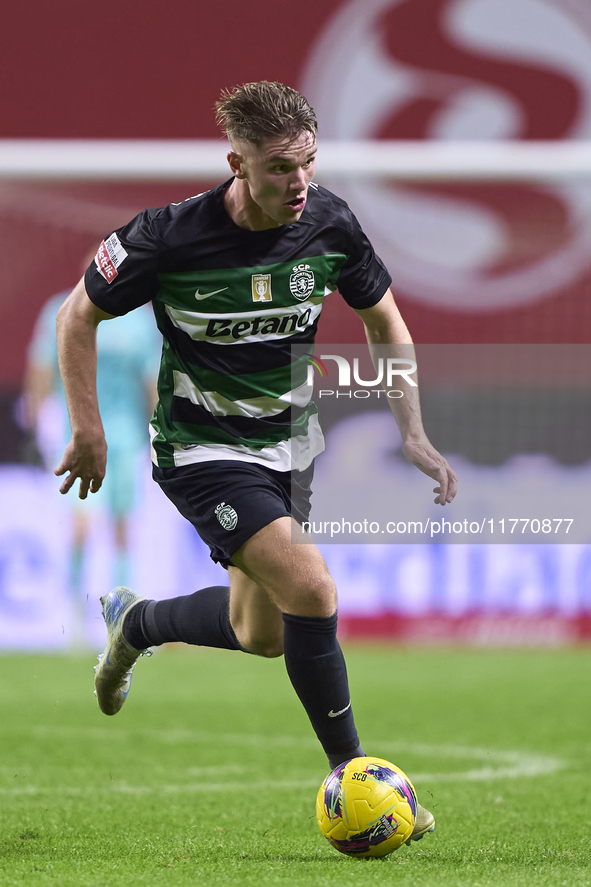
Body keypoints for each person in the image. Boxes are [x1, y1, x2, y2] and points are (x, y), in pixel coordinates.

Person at [55, 81, 457, 842]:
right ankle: (355, 776)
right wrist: (88, 427)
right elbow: (75, 317)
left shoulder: (330, 221)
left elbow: (385, 322)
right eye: (279, 168)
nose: (299, 182)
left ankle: (135, 622)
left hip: (289, 445)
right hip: (203, 448)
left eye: (307, 162)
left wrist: (411, 430)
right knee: (310, 584)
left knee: (262, 632)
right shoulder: (166, 237)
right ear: (236, 162)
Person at [24, 259, 161, 642]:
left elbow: (150, 380)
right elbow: (41, 369)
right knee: (82, 526)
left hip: (125, 437)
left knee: (121, 526)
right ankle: (73, 612)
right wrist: (37, 424)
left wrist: (158, 431)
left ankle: (121, 616)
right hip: (78, 436)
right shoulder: (62, 309)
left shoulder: (138, 320)